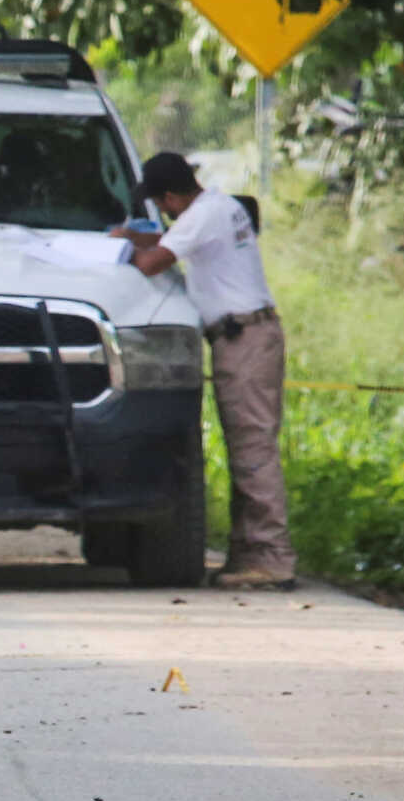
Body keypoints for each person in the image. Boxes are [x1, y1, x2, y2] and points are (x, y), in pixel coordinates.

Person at [114, 151, 293, 588]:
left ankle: (272, 557)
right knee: (247, 446)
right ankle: (249, 553)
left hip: (244, 340)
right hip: (249, 336)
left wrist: (120, 249)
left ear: (172, 196)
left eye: (161, 202)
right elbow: (166, 237)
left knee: (252, 450)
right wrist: (136, 236)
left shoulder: (201, 216)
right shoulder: (219, 206)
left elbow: (153, 261)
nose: (164, 211)